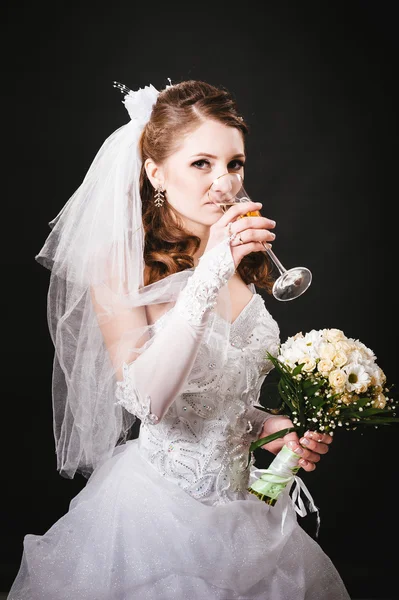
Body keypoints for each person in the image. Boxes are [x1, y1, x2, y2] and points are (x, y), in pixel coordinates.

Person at [7, 79, 351, 600]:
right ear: (155, 172)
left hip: (249, 516)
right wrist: (211, 268)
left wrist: (272, 428)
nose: (225, 184)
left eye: (234, 164)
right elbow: (149, 400)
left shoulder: (246, 259)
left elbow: (223, 399)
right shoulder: (122, 265)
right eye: (202, 164)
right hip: (158, 517)